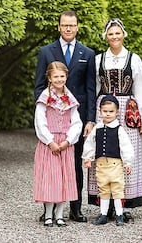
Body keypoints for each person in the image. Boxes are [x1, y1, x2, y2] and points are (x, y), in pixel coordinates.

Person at [87, 18, 142, 223]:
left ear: (123, 34)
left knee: (126, 152)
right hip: (104, 108)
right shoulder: (99, 60)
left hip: (126, 109)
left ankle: (123, 205)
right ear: (106, 36)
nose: (114, 37)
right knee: (103, 151)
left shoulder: (133, 59)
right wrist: (93, 116)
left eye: (118, 33)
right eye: (111, 33)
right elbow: (95, 87)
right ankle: (104, 205)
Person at [34, 10, 96, 222]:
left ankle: (75, 207)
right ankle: (48, 209)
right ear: (59, 26)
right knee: (49, 167)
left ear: (78, 26)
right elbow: (38, 87)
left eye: (72, 25)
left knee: (74, 165)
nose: (68, 28)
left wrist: (90, 120)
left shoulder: (87, 53)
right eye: (64, 25)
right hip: (52, 122)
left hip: (75, 122)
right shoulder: (46, 52)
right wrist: (45, 109)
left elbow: (90, 89)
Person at [33, 61, 83, 227]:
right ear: (49, 78)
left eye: (62, 76)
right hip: (50, 143)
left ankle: (60, 214)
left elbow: (76, 122)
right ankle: (48, 214)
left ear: (66, 77)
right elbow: (40, 122)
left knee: (64, 178)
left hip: (65, 144)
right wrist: (49, 141)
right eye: (56, 76)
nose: (59, 79)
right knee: (50, 178)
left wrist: (69, 140)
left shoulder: (70, 99)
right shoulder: (44, 98)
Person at [82, 95, 134, 226]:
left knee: (117, 189)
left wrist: (128, 162)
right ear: (100, 112)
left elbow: (126, 146)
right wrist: (88, 157)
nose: (108, 114)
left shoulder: (119, 129)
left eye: (111, 111)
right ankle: (103, 214)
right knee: (103, 190)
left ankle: (119, 214)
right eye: (105, 111)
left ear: (117, 112)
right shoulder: (97, 128)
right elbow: (90, 143)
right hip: (100, 165)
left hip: (115, 165)